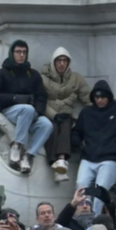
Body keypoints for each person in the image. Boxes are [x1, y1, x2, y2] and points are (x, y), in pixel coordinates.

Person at [0, 40, 53, 174]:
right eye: (18, 52)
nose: (21, 55)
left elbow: (41, 96)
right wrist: (14, 98)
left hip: (31, 113)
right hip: (10, 111)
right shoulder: (1, 73)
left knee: (47, 125)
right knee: (27, 109)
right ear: (12, 53)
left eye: (24, 52)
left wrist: (38, 112)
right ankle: (17, 146)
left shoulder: (33, 74)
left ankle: (27, 156)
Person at [41, 46, 89, 179]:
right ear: (54, 62)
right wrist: (53, 114)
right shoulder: (43, 79)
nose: (62, 64)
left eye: (65, 61)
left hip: (67, 115)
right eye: (59, 60)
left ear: (68, 62)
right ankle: (54, 163)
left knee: (66, 124)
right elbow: (40, 100)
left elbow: (88, 97)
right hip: (49, 114)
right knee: (51, 127)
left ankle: (61, 160)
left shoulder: (76, 78)